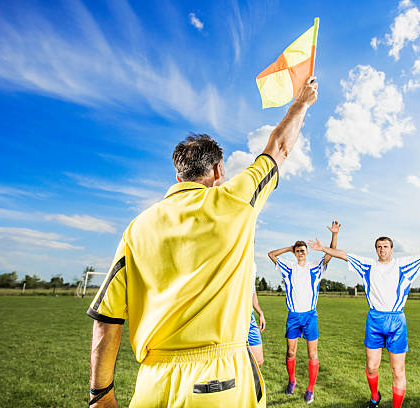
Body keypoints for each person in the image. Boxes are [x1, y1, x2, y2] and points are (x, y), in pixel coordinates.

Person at [86, 76, 318, 408]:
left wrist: (100, 394)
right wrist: (302, 102)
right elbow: (278, 148)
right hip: (222, 383)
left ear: (178, 175)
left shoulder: (136, 228)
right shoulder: (234, 201)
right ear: (219, 170)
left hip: (153, 384)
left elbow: (107, 319)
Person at [309, 232, 420, 408]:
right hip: (374, 319)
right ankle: (375, 397)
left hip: (396, 321)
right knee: (372, 367)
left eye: (385, 247)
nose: (382, 250)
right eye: (379, 247)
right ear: (376, 250)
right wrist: (323, 248)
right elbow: (344, 255)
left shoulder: (403, 264)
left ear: (392, 249)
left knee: (397, 370)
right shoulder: (368, 265)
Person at [267, 221, 341, 404]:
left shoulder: (316, 266)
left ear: (307, 252)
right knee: (290, 352)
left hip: (310, 316)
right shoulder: (287, 267)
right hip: (293, 316)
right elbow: (271, 254)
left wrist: (334, 235)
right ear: (295, 252)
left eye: (303, 250)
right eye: (298, 250)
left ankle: (310, 389)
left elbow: (330, 253)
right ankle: (292, 381)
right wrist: (289, 248)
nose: (300, 252)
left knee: (312, 354)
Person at [249, 263, 266, 366]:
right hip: (233, 315)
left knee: (258, 361)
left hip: (248, 315)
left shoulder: (253, 264)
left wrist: (260, 313)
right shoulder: (232, 256)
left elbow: (252, 291)